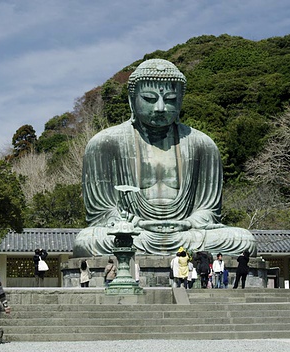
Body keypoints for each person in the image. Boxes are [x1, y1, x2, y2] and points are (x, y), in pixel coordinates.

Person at [72, 59, 256, 258]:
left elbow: (208, 210)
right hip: (135, 233)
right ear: (132, 100)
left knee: (243, 240)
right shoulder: (105, 143)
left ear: (180, 101)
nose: (160, 108)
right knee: (87, 240)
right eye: (150, 99)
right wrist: (131, 222)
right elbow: (103, 212)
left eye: (169, 99)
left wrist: (190, 222)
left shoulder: (202, 144)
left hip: (186, 232)